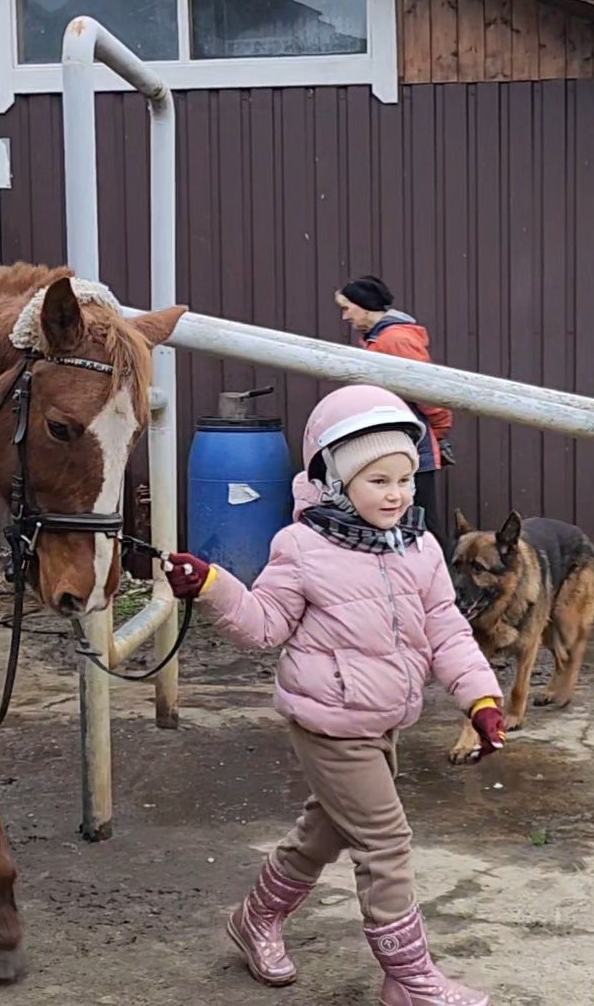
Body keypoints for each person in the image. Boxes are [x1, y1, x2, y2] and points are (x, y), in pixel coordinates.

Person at [163, 385, 507, 1006]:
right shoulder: (302, 547)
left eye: (405, 478)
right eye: (379, 480)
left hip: (385, 719)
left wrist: (480, 698)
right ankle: (408, 980)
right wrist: (214, 585)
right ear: (335, 481)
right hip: (329, 722)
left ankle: (255, 920)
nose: (397, 494)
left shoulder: (419, 546)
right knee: (385, 840)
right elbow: (264, 624)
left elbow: (448, 630)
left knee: (326, 831)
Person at [334, 276, 453, 554]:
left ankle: (447, 586)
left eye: (347, 307)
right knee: (405, 519)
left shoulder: (395, 340)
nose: (344, 316)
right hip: (396, 441)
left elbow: (429, 392)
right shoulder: (377, 339)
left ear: (365, 306)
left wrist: (437, 430)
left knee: (423, 524)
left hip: (411, 444)